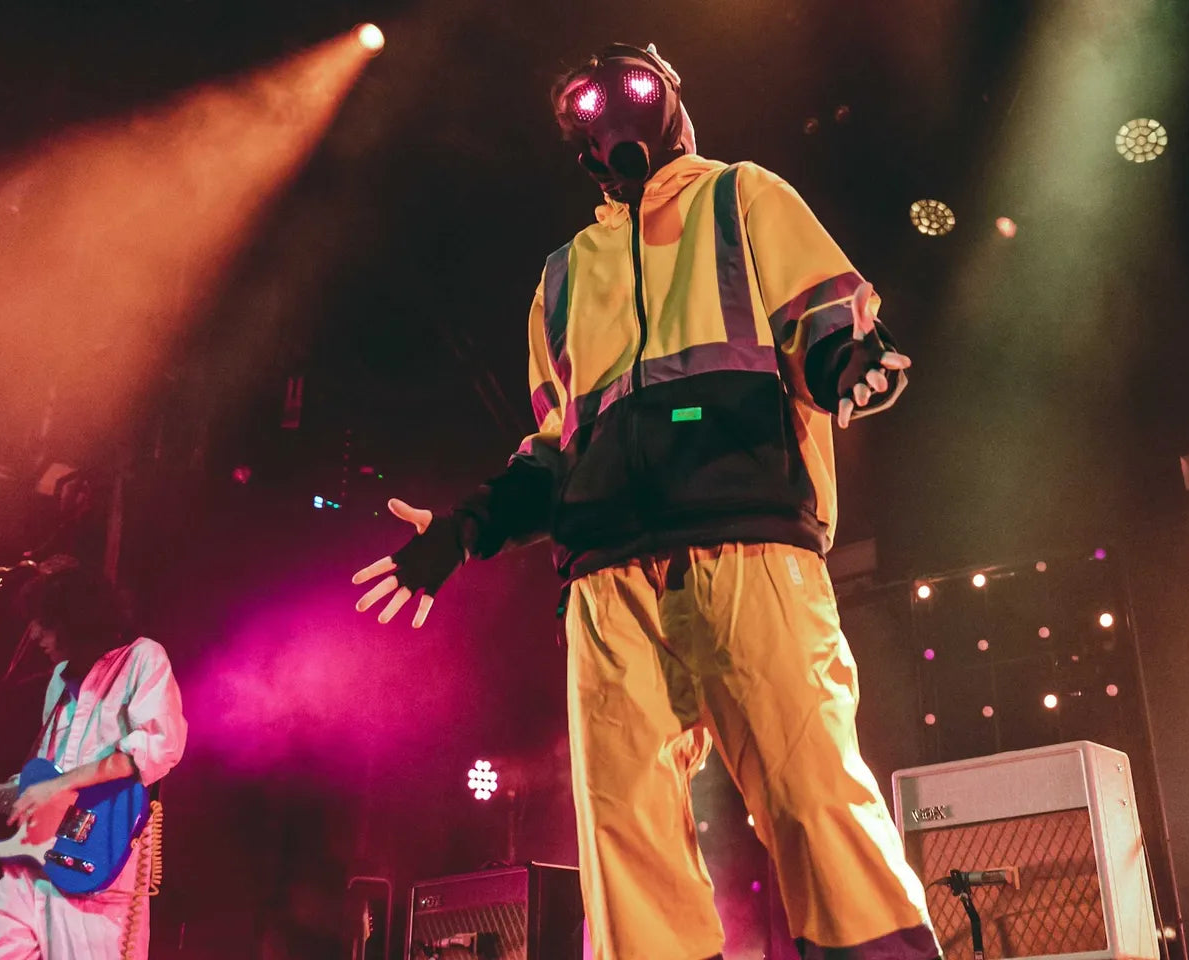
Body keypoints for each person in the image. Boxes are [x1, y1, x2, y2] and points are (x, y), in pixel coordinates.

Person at [352, 43, 939, 960]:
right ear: (575, 141)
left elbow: (824, 324)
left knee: (815, 799)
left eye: (629, 86)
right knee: (623, 840)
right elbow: (554, 448)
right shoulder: (560, 277)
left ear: (669, 95)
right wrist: (466, 528)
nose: (610, 111)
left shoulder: (742, 196)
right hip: (605, 582)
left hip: (749, 549)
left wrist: (850, 365)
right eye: (585, 102)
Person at [0, 558, 187, 960]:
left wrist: (60, 784)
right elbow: (47, 774)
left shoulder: (142, 659)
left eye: (44, 622)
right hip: (31, 868)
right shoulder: (58, 682)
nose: (34, 633)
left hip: (98, 876)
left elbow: (159, 746)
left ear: (75, 619)